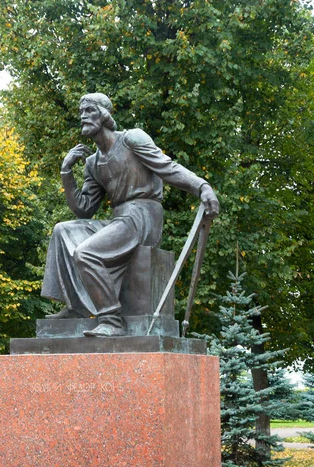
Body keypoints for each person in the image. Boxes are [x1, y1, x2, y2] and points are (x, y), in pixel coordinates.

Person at [41, 93, 219, 337]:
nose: (83, 116)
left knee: (86, 253)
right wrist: (66, 170)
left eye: (89, 110)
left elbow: (168, 167)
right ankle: (77, 306)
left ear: (105, 114)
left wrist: (201, 187)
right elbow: (84, 209)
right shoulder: (93, 163)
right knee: (63, 230)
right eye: (81, 112)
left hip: (144, 215)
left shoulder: (132, 138)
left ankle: (112, 320)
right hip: (120, 219)